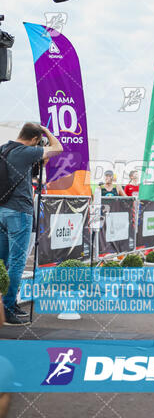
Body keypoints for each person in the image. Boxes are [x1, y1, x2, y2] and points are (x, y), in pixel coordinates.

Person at [0, 123, 62, 325]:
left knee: (3, 262)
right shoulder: (26, 151)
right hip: (19, 211)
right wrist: (46, 131)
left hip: (2, 211)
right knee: (17, 262)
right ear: (35, 139)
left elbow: (28, 171)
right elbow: (58, 148)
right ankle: (8, 309)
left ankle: (5, 306)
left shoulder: (4, 149)